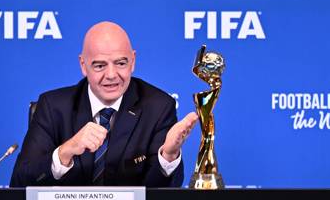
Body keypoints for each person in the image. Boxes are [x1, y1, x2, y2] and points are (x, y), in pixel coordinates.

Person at [10, 21, 197, 187]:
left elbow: (162, 199)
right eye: (100, 65)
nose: (111, 75)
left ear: (133, 61)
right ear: (83, 65)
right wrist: (64, 153)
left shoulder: (158, 106)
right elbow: (20, 182)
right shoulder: (53, 106)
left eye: (121, 63)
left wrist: (168, 156)